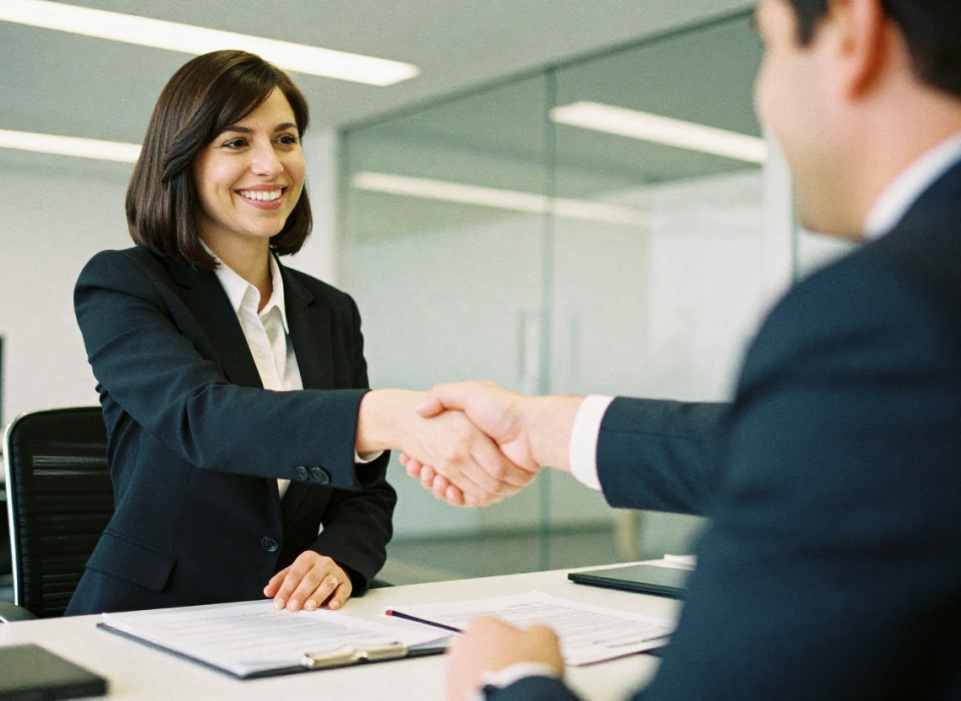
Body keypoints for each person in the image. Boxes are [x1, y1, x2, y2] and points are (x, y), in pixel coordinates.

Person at [402, 0, 961, 698]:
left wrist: (509, 677)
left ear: (852, 30)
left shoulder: (886, 307)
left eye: (771, 45)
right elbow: (845, 453)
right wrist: (544, 426)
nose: (766, 96)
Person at [68, 50, 530, 616]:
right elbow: (203, 418)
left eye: (285, 140)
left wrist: (339, 556)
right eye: (237, 143)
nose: (271, 165)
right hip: (152, 614)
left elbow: (365, 488)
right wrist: (389, 417)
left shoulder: (330, 310)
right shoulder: (124, 283)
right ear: (183, 159)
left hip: (294, 619)